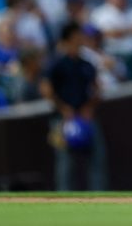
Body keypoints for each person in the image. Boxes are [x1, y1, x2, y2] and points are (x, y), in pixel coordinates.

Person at [40, 21, 106, 191]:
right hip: (62, 119)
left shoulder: (86, 63)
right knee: (65, 163)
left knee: (96, 159)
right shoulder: (56, 63)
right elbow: (46, 89)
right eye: (78, 35)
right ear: (69, 38)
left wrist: (89, 107)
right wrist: (63, 108)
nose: (82, 39)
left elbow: (98, 88)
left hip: (85, 116)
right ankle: (64, 198)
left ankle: (100, 198)